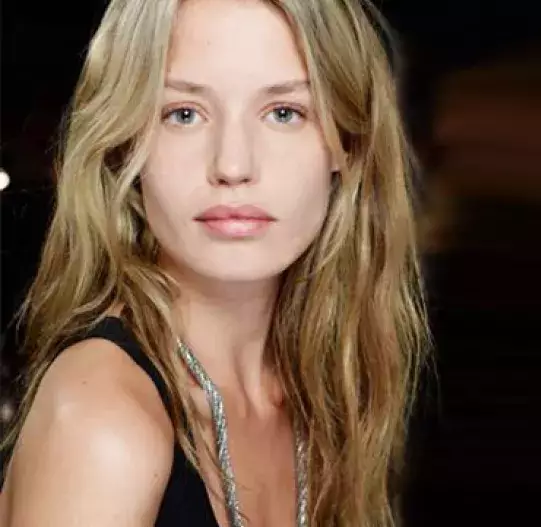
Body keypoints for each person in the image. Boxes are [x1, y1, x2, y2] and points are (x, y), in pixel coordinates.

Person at [0, 0, 429, 525]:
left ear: (347, 144)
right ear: (126, 143)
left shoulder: (330, 387)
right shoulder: (100, 424)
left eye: (284, 113)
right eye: (183, 114)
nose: (232, 165)